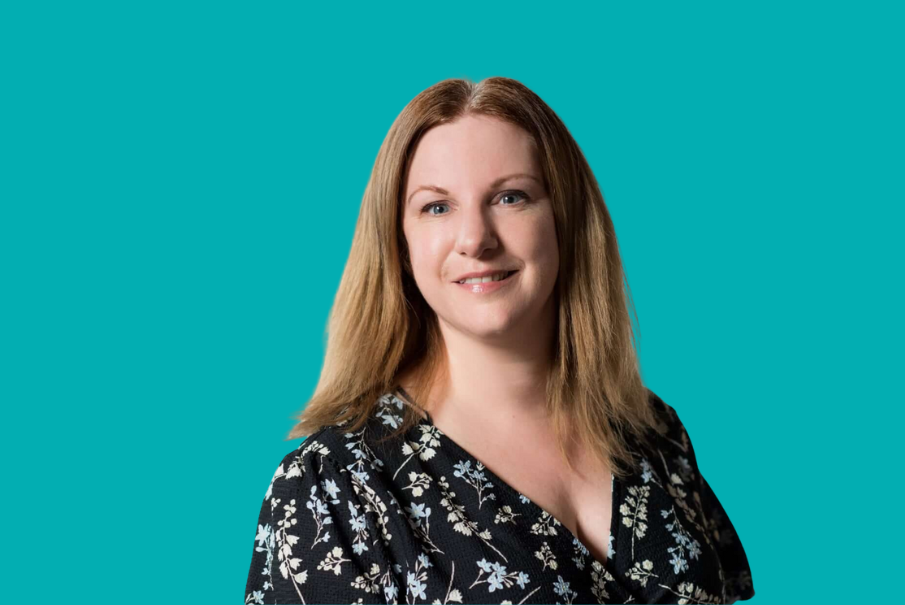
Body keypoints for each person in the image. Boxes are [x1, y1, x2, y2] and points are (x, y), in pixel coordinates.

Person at [244, 76, 754, 604]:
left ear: (565, 219)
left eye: (511, 197)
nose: (476, 240)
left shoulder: (654, 434)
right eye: (437, 207)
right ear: (399, 244)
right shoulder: (336, 487)